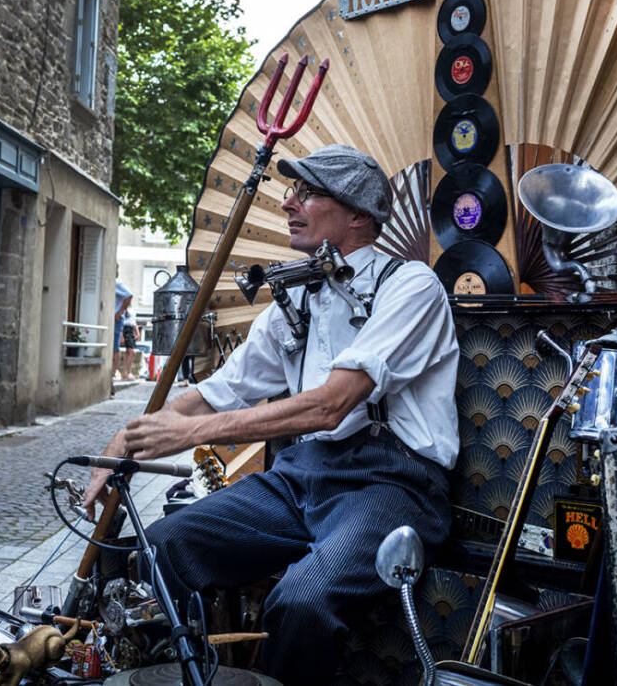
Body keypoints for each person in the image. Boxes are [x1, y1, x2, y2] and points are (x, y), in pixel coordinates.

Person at [83, 145, 459, 683]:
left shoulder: (412, 286)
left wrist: (191, 434)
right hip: (300, 479)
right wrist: (128, 437)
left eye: (307, 193)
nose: (289, 203)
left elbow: (332, 404)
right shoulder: (299, 298)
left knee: (301, 601)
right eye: (291, 192)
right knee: (163, 547)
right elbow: (221, 389)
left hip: (392, 485)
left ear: (357, 215)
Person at [112, 276, 132, 378]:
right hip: (112, 318)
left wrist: (120, 312)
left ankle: (113, 373)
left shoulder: (116, 283)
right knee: (112, 346)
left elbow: (129, 295)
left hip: (116, 319)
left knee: (115, 346)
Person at [118, 300, 140, 380]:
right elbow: (121, 321)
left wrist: (137, 333)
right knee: (131, 351)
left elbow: (134, 322)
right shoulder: (123, 309)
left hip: (131, 330)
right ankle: (126, 372)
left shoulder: (132, 309)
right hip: (125, 329)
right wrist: (121, 335)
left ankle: (127, 372)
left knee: (130, 352)